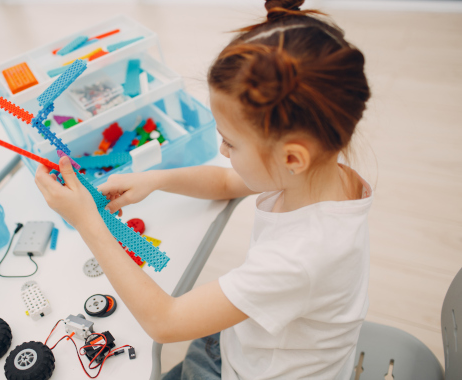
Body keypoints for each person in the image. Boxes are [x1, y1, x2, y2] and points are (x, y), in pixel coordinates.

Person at [34, 0, 373, 378]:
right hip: (254, 341)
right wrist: (156, 179)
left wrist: (87, 222)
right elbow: (228, 181)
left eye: (231, 142)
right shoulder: (317, 173)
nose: (221, 150)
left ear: (292, 157)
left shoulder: (301, 256)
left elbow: (165, 322)